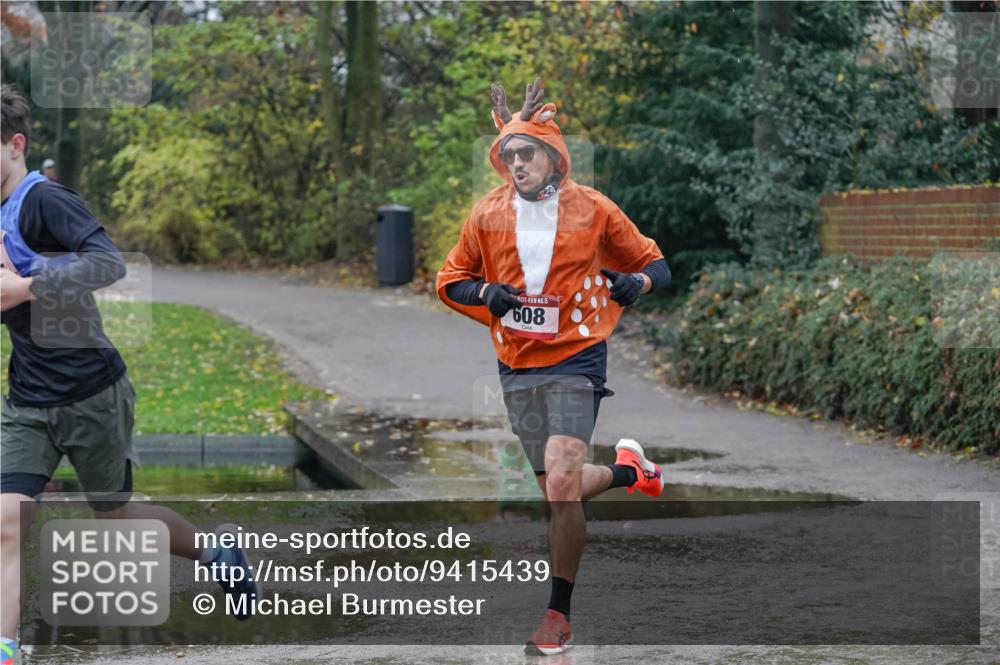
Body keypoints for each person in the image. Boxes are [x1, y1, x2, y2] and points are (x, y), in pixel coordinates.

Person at [0, 84, 258, 664]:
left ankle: (216, 551)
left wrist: (27, 286)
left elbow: (109, 262)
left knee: (114, 515)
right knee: (6, 520)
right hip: (27, 399)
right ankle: (7, 649)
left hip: (91, 392)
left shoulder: (47, 202)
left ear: (16, 146)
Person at [436, 78, 671, 656]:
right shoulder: (487, 214)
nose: (516, 163)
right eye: (508, 155)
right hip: (516, 362)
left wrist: (634, 283)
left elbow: (655, 264)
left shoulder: (593, 209)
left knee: (563, 481)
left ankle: (557, 617)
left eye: (527, 152)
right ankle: (630, 472)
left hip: (577, 353)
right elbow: (449, 281)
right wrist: (484, 293)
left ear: (554, 158)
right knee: (559, 493)